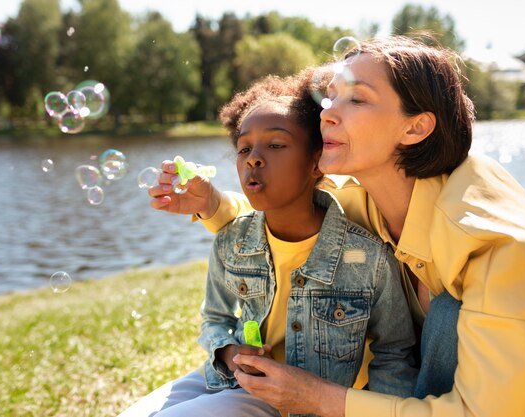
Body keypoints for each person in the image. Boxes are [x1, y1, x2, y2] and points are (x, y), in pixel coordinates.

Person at [148, 36, 525, 417]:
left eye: (357, 98)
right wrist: (212, 204)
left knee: (447, 317)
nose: (326, 113)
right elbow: (285, 212)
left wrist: (314, 397)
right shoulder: (359, 196)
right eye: (331, 97)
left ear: (415, 128)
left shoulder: (498, 246)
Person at [120, 67, 418, 417]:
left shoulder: (367, 258)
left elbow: (396, 352)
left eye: (276, 144)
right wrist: (230, 353)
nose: (253, 159)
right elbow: (215, 318)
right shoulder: (231, 239)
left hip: (291, 402)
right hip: (229, 378)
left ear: (316, 164)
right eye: (244, 148)